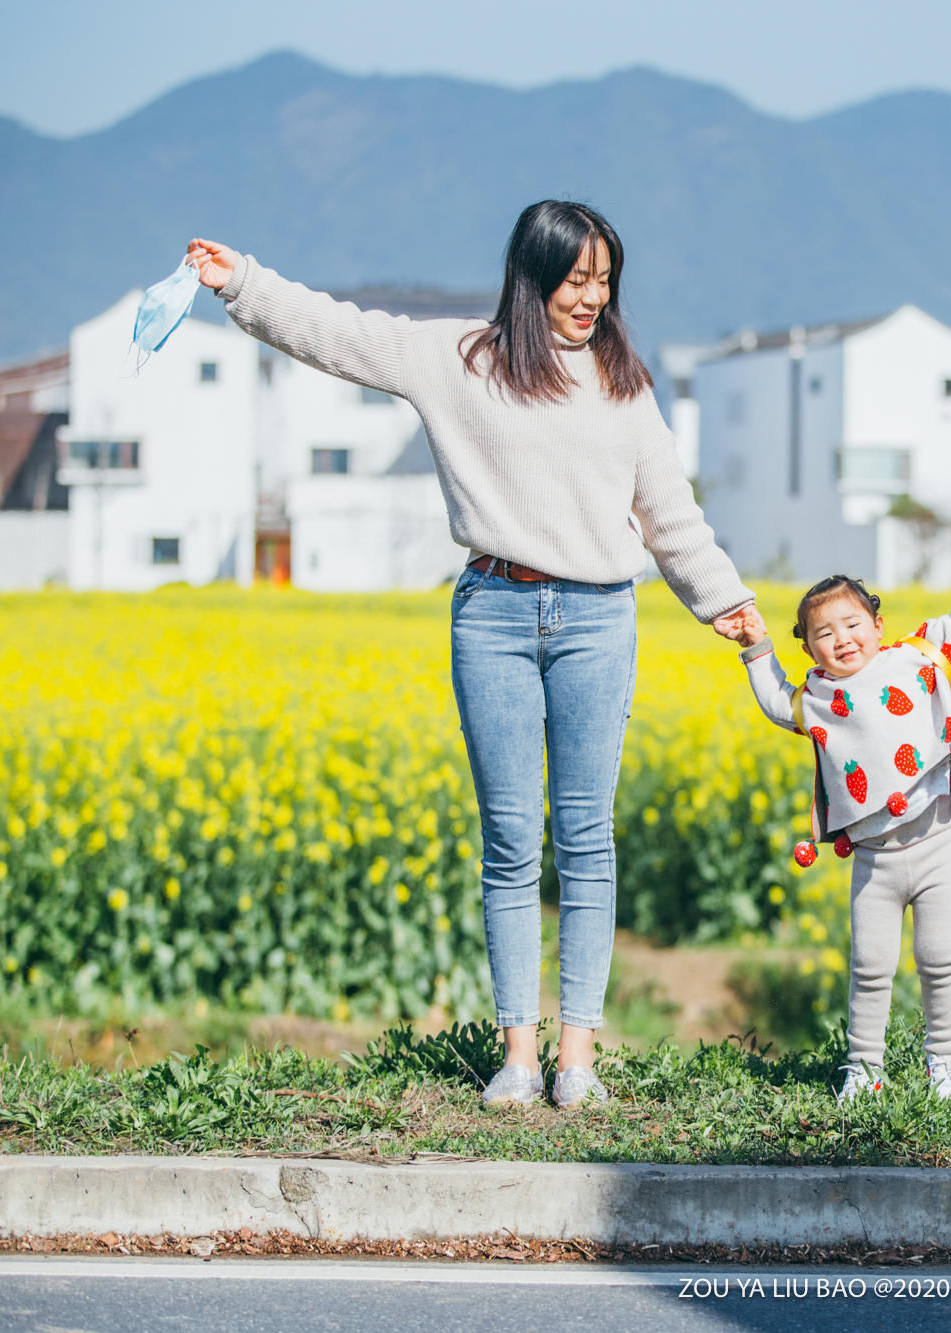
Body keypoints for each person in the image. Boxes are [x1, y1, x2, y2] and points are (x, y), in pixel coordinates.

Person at [185, 202, 760, 1109]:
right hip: (491, 609)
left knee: (586, 838)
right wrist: (243, 283)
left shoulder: (624, 382)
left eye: (605, 280)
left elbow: (669, 517)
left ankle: (578, 1059)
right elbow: (338, 334)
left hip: (599, 618)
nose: (593, 298)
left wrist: (727, 601)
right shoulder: (460, 360)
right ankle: (518, 1057)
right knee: (507, 841)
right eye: (576, 280)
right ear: (532, 278)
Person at [724, 544, 951, 1100]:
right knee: (870, 967)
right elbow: (772, 700)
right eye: (824, 634)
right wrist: (754, 644)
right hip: (875, 861)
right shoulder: (817, 698)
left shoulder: (917, 659)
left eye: (853, 624)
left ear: (879, 626)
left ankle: (944, 1065)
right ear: (809, 647)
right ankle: (863, 1068)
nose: (842, 639)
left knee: (940, 960)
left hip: (935, 847)